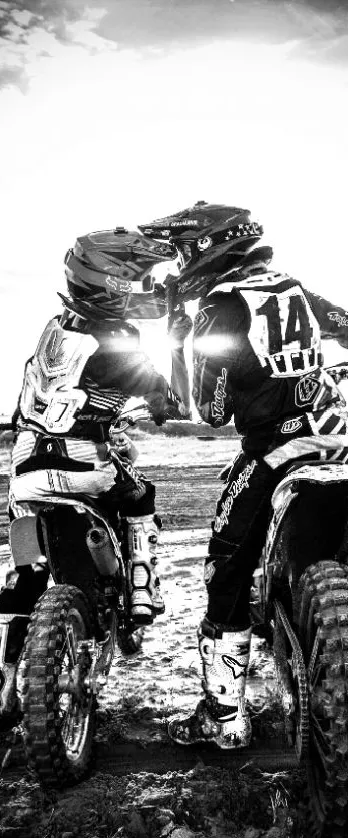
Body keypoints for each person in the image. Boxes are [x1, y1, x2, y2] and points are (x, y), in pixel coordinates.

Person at [139, 202, 348, 749]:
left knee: (225, 566)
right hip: (341, 443)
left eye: (183, 250)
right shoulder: (292, 288)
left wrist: (180, 344)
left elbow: (212, 409)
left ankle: (225, 720)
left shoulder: (221, 307)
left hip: (275, 450)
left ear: (207, 247)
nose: (179, 263)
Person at [0, 226, 184, 723]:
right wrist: (164, 398)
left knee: (28, 574)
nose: (146, 288)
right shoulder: (119, 340)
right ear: (112, 282)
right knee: (141, 494)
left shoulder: (54, 330)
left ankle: (5, 682)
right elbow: (166, 398)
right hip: (84, 465)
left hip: (26, 466)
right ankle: (143, 586)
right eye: (138, 278)